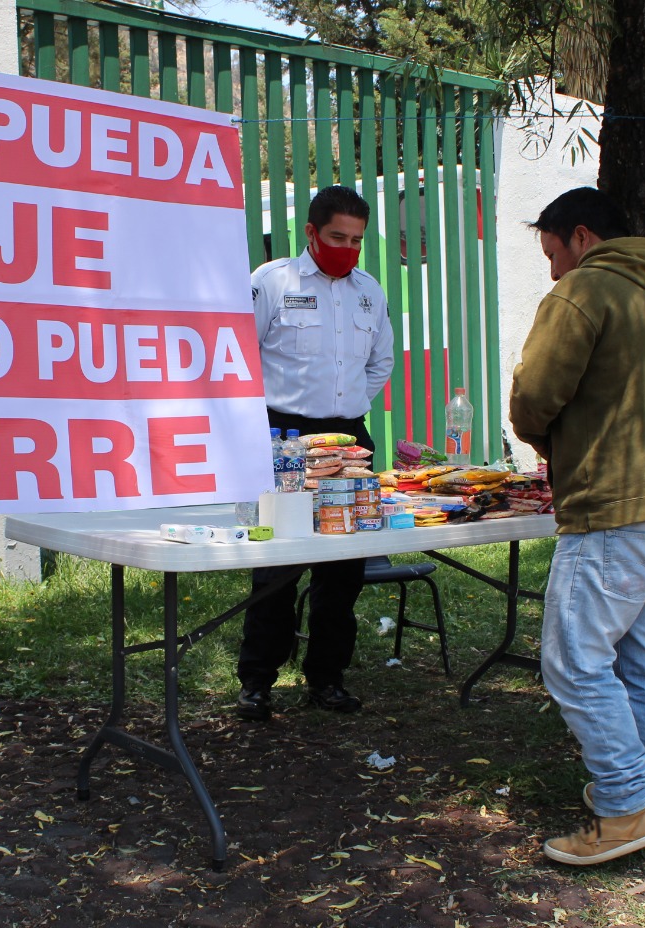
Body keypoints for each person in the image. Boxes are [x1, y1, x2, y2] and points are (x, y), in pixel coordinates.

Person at [508, 187, 645, 865]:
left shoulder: (585, 289)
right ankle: (642, 796)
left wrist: (542, 437)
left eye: (552, 254)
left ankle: (626, 806)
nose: (552, 271)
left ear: (581, 237)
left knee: (573, 661)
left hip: (616, 507)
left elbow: (535, 395)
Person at [236, 185, 394, 720]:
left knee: (343, 569)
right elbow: (241, 355)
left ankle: (327, 679)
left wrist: (345, 407)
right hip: (283, 438)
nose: (347, 249)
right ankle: (257, 682)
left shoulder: (369, 291)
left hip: (349, 440)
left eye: (356, 240)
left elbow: (380, 361)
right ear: (311, 232)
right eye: (336, 237)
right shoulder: (272, 282)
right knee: (277, 566)